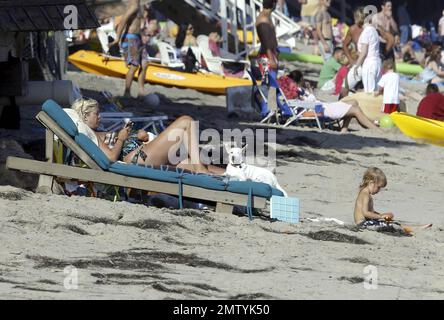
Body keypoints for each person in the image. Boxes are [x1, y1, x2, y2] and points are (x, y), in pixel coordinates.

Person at [70, 98, 225, 175]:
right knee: (186, 122)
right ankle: (201, 173)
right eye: (96, 114)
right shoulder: (89, 134)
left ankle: (233, 176)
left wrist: (133, 135)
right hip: (137, 158)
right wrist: (122, 138)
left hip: (141, 153)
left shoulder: (96, 132)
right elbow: (110, 157)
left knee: (192, 162)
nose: (100, 117)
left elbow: (114, 142)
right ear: (84, 117)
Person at [286, 71, 379, 133]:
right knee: (355, 110)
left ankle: (344, 129)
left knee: (353, 102)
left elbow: (310, 99)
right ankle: (375, 129)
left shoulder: (299, 90)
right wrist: (309, 93)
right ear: (301, 79)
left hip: (320, 107)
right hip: (317, 110)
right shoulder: (295, 91)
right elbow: (308, 101)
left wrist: (309, 90)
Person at [354, 167, 432, 234]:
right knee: (393, 225)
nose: (379, 190)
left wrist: (383, 216)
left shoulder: (366, 193)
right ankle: (413, 229)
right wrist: (381, 216)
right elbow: (366, 213)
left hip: (366, 222)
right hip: (363, 225)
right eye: (378, 187)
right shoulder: (365, 194)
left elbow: (370, 212)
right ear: (371, 183)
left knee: (390, 221)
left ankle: (411, 228)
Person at [256, 0, 293, 121]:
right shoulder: (263, 20)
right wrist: (271, 58)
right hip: (267, 56)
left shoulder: (266, 17)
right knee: (270, 85)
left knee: (271, 85)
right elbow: (266, 42)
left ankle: (276, 111)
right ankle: (267, 111)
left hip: (270, 55)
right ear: (273, 4)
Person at [108, 0, 145, 98]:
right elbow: (123, 22)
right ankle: (127, 92)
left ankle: (141, 91)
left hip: (138, 37)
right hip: (130, 38)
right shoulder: (133, 6)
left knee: (145, 63)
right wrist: (117, 39)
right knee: (134, 66)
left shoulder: (140, 6)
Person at [355, 13, 381, 93]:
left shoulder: (366, 31)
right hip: (377, 62)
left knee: (369, 92)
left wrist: (356, 66)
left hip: (369, 63)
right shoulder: (374, 30)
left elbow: (364, 53)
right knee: (375, 91)